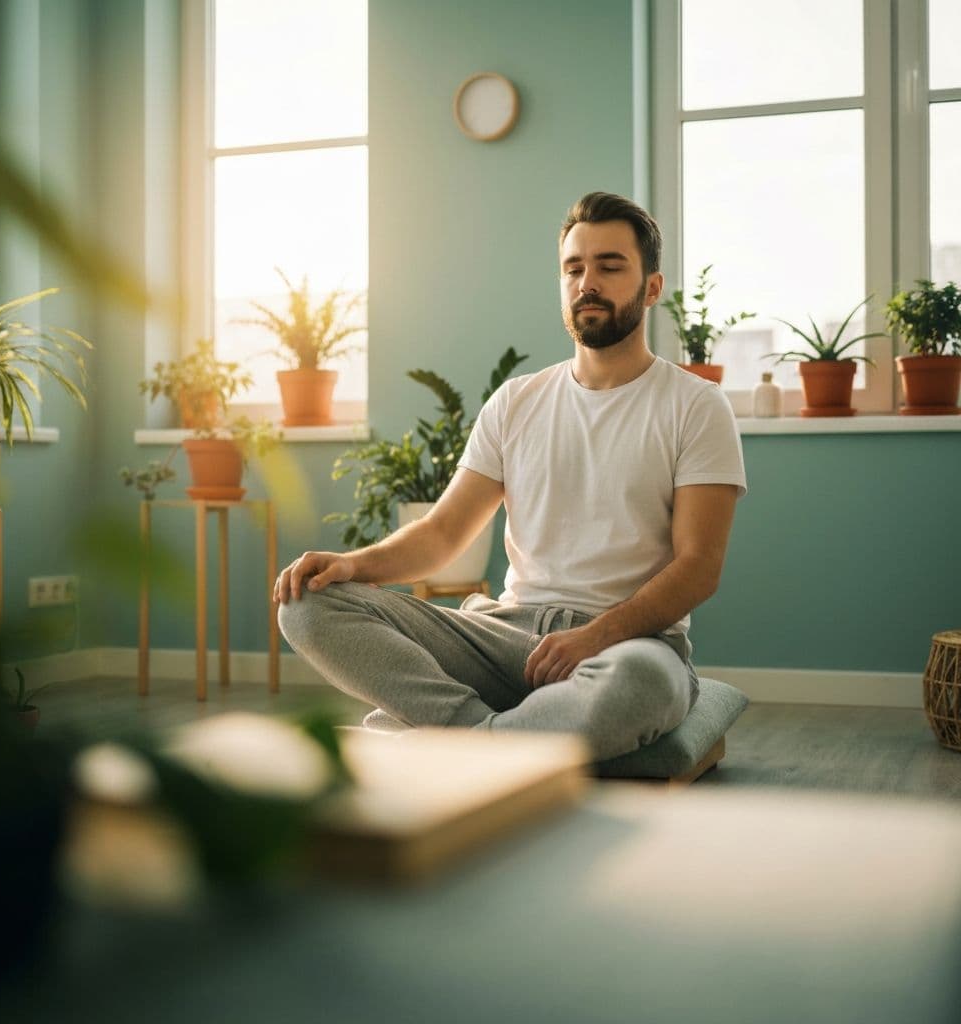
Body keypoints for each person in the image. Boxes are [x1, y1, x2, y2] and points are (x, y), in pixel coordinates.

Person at [276, 192, 746, 765]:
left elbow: (698, 566)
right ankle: (491, 738)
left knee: (638, 689)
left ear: (652, 288)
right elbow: (443, 533)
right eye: (574, 268)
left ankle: (452, 738)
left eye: (609, 266)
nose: (587, 283)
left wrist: (595, 636)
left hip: (625, 647)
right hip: (504, 638)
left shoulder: (696, 405)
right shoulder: (516, 401)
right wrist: (352, 566)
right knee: (306, 605)